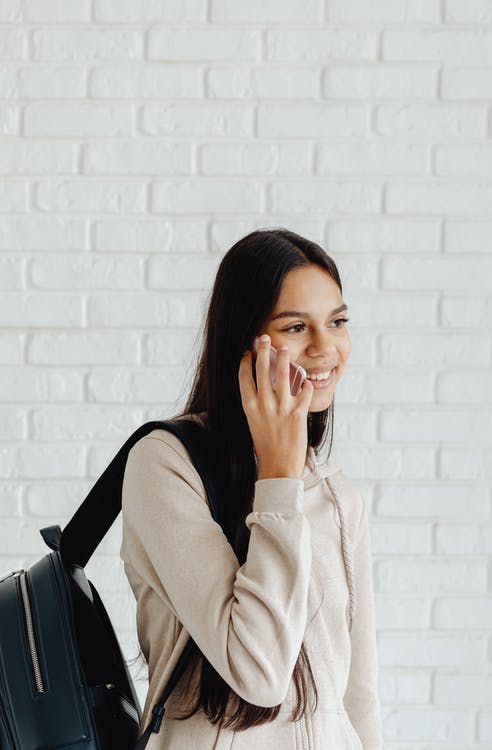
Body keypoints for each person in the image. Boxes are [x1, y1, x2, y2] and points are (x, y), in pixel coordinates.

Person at [120, 228, 383, 749]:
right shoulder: (167, 466)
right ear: (246, 343)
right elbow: (258, 673)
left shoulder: (337, 496)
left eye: (337, 321)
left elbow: (358, 695)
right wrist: (278, 479)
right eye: (295, 326)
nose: (325, 348)